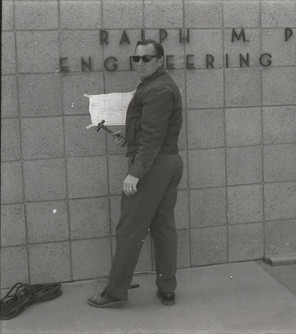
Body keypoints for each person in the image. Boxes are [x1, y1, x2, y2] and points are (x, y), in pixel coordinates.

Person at [88, 39, 183, 308]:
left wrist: (135, 173)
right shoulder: (155, 85)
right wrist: (129, 137)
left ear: (160, 60)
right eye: (136, 58)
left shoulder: (158, 89)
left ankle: (115, 292)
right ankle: (167, 288)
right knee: (163, 228)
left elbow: (153, 138)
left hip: (153, 166)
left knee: (130, 228)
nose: (140, 63)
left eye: (146, 58)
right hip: (165, 163)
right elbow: (150, 129)